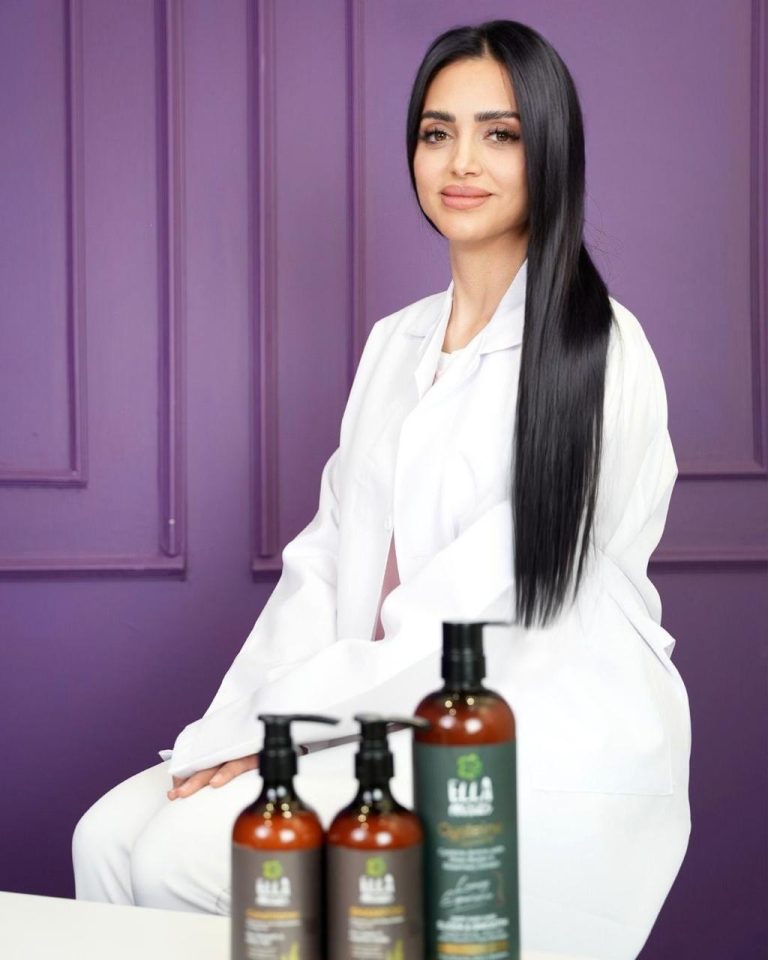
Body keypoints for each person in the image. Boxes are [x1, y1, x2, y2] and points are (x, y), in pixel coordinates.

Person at [72, 19, 691, 960]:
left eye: (500, 133)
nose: (462, 161)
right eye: (438, 133)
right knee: (105, 839)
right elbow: (324, 564)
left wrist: (282, 726)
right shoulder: (394, 344)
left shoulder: (599, 351)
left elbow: (478, 616)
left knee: (181, 860)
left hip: (519, 739)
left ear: (549, 151)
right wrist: (235, 725)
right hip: (370, 710)